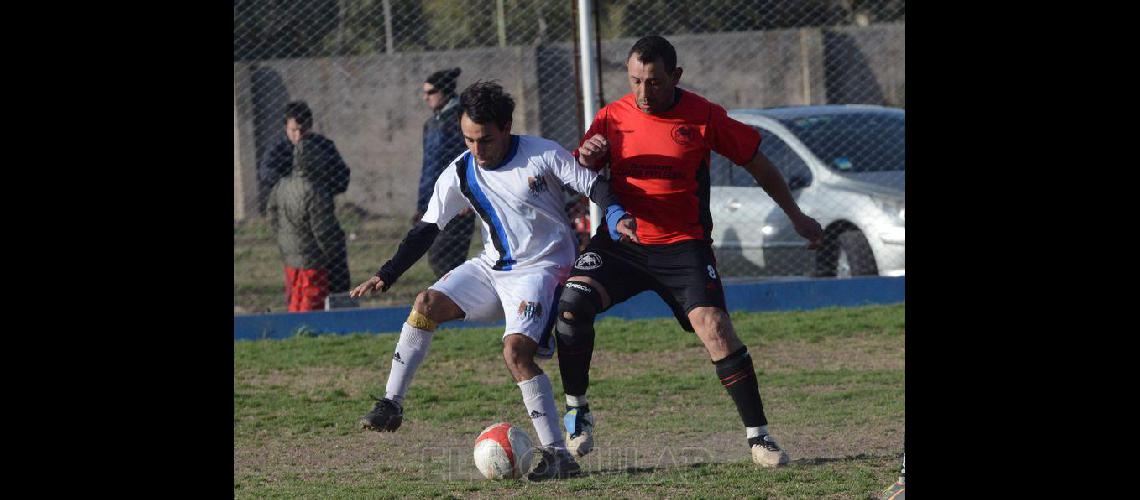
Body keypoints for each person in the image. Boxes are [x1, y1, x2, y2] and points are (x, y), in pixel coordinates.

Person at [552, 35, 825, 467]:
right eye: (635, 81)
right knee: (571, 305)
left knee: (715, 328)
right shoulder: (611, 116)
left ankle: (759, 438)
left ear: (675, 76)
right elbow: (581, 169)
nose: (643, 92)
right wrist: (586, 154)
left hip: (683, 247)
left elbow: (757, 160)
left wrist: (795, 215)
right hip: (622, 243)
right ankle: (577, 411)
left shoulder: (703, 116)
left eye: (654, 82)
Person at [350, 81, 636, 481]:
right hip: (492, 267)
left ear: (506, 127)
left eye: (484, 140)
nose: (476, 149)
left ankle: (558, 456)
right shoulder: (461, 171)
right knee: (425, 305)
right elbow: (427, 228)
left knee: (516, 353)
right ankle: (390, 404)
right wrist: (386, 273)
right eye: (468, 139)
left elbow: (595, 185)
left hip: (543, 269)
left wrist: (616, 213)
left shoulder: (542, 153)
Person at [259, 101, 352, 294]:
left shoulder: (323, 147)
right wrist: (294, 188)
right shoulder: (279, 149)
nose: (298, 136)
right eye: (293, 130)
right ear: (285, 127)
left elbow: (342, 178)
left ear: (310, 125)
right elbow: (266, 174)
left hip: (319, 213)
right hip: (293, 222)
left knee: (336, 266)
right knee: (302, 280)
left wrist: (318, 188)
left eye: (302, 130)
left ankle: (339, 304)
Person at [266, 136, 350, 312]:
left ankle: (295, 334)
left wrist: (283, 239)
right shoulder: (315, 190)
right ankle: (308, 332)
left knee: (294, 301)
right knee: (311, 303)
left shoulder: (282, 185)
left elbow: (272, 215)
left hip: (289, 256)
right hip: (312, 259)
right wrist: (333, 254)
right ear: (316, 161)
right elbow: (324, 230)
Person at [417, 68, 476, 277]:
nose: (425, 97)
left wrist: (467, 198)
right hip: (435, 200)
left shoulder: (462, 119)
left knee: (444, 258)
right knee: (437, 258)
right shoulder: (431, 124)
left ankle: (460, 302)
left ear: (444, 91)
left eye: (430, 92)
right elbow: (429, 167)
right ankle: (456, 302)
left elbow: (472, 159)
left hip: (458, 200)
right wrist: (422, 204)